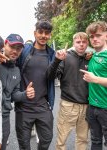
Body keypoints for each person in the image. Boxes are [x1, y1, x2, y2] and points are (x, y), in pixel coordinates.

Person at [15, 20, 55, 150]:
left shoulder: (52, 54)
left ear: (50, 35)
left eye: (47, 33)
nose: (43, 35)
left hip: (43, 105)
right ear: (35, 33)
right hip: (24, 107)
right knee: (24, 144)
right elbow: (11, 61)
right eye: (40, 32)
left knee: (47, 138)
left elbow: (55, 74)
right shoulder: (24, 51)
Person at [47, 32, 90, 150]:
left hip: (86, 106)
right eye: (78, 42)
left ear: (87, 43)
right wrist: (56, 60)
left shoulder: (90, 58)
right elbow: (51, 77)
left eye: (84, 42)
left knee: (83, 139)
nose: (81, 44)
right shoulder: (65, 57)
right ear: (73, 43)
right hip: (68, 105)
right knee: (62, 139)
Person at [0, 34, 35, 150]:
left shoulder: (16, 71)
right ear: (5, 45)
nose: (15, 51)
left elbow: (13, 95)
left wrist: (25, 94)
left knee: (1, 147)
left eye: (18, 48)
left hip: (4, 118)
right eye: (12, 47)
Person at [80, 21, 107, 150]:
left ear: (106, 35)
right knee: (95, 142)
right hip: (92, 107)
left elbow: (96, 78)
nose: (95, 39)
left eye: (98, 35)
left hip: (105, 108)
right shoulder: (93, 55)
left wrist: (96, 79)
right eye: (91, 36)